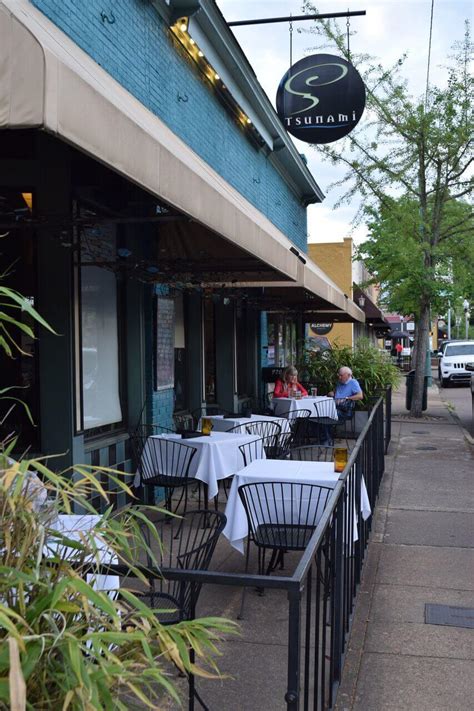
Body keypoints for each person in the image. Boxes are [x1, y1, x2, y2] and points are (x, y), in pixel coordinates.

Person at [322, 367, 363, 445]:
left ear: (348, 375)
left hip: (345, 411)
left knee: (326, 414)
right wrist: (332, 393)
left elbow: (360, 396)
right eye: (339, 375)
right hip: (335, 407)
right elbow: (336, 393)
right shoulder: (340, 382)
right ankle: (325, 439)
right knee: (321, 413)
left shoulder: (353, 382)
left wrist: (347, 398)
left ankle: (327, 440)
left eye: (341, 375)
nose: (339, 377)